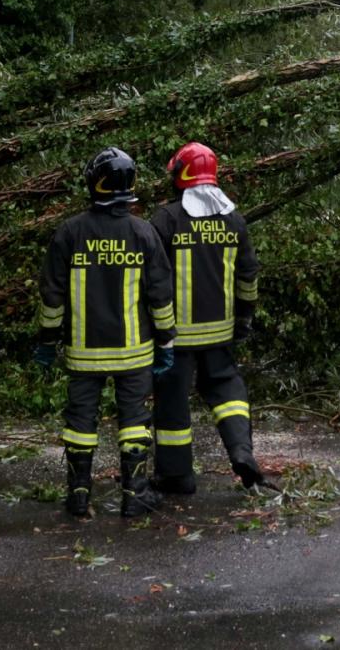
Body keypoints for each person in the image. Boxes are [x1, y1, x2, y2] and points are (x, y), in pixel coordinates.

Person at [35, 147, 176, 518]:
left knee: (81, 423)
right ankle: (136, 495)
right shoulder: (143, 233)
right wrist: (166, 341)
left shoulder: (70, 232)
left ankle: (79, 495)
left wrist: (47, 342)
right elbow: (160, 296)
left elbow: (51, 297)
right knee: (134, 422)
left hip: (84, 352)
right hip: (134, 353)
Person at [148, 142, 265, 494]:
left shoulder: (166, 219)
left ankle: (177, 476)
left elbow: (151, 279)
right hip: (220, 333)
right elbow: (249, 274)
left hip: (175, 337)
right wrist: (244, 319)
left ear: (181, 176)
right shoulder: (234, 219)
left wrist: (154, 327)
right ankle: (242, 452)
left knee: (171, 403)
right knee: (228, 391)